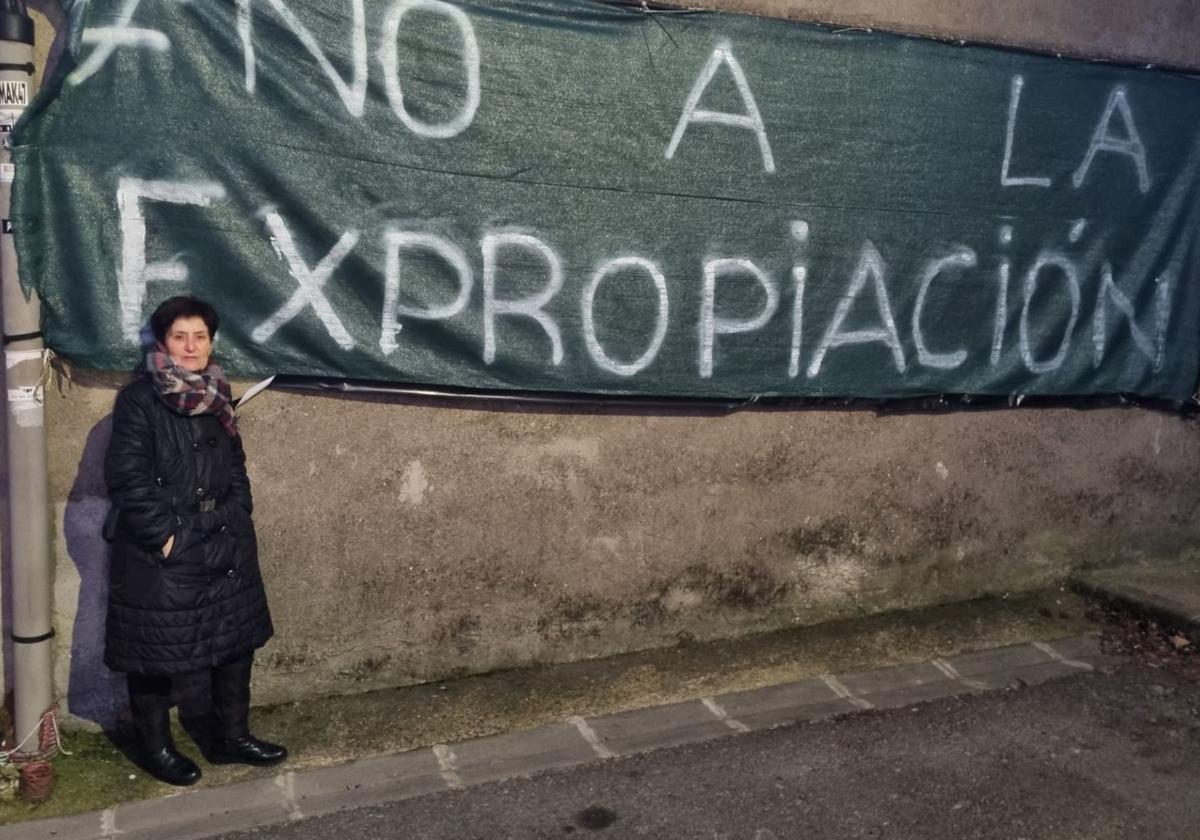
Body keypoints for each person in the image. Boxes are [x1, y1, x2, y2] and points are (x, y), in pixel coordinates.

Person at [102, 295, 285, 786]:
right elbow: (126, 477)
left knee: (234, 640)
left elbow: (235, 465)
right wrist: (165, 537)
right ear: (162, 342)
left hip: (223, 536)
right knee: (156, 651)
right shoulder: (141, 399)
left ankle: (231, 736)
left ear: (211, 342)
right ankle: (155, 746)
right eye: (179, 337)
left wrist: (239, 512)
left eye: (199, 337)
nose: (190, 346)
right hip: (167, 549)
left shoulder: (217, 394)